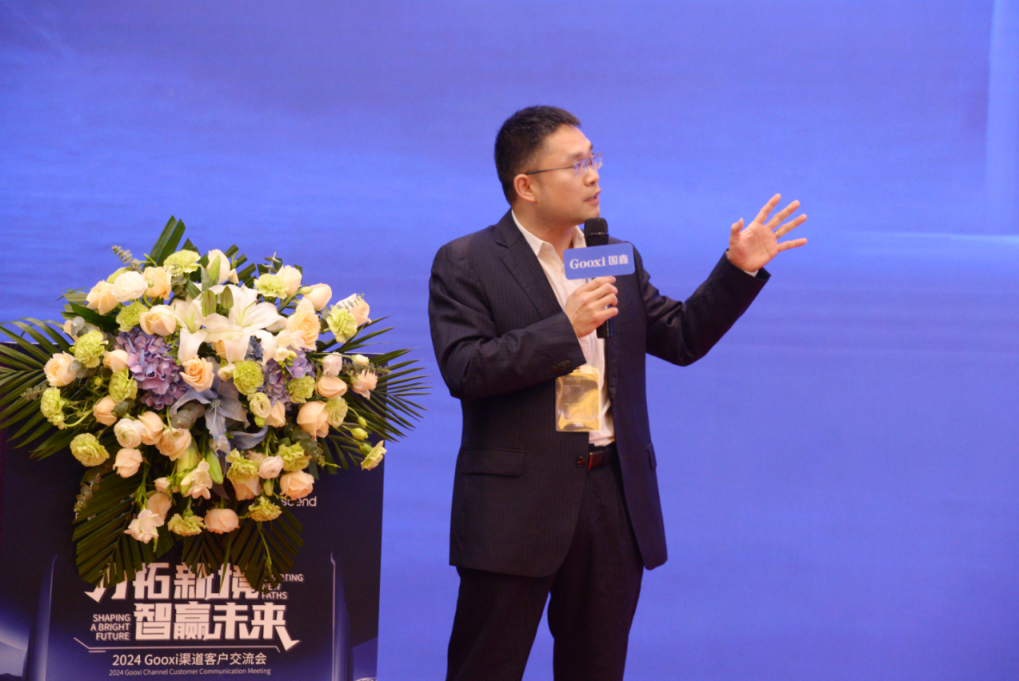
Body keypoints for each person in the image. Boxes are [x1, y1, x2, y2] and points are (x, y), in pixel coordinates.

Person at [428, 106, 807, 681]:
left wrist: (737, 269)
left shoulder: (612, 256)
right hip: (516, 506)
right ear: (526, 186)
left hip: (610, 496)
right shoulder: (467, 262)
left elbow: (681, 336)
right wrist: (565, 328)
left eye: (594, 159)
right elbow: (466, 369)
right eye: (575, 164)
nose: (593, 175)